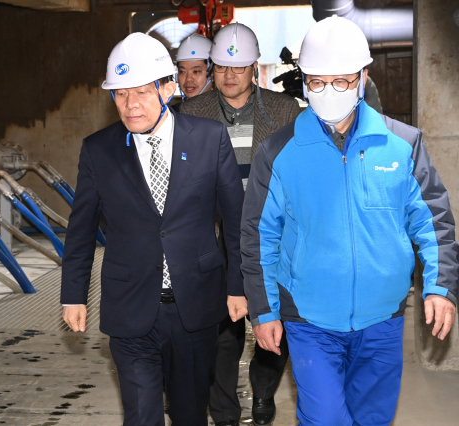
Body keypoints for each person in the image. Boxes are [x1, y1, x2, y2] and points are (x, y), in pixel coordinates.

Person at [241, 16, 458, 426]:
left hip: (383, 318)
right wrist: (264, 311)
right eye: (318, 82)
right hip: (309, 320)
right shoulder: (278, 152)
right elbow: (258, 237)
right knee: (324, 418)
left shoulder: (402, 144)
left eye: (341, 81)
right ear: (304, 81)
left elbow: (434, 223)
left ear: (363, 77)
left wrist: (440, 287)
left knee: (372, 418)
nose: (329, 92)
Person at [61, 32, 247, 426]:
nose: (130, 106)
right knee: (142, 415)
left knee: (189, 413)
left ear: (168, 88)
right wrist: (73, 295)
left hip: (195, 306)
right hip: (130, 306)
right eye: (121, 94)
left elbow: (235, 222)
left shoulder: (209, 139)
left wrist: (238, 287)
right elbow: (80, 230)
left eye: (142, 92)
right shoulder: (98, 150)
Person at [180, 23, 300, 426]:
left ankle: (264, 396)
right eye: (221, 68)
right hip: (215, 239)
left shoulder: (284, 110)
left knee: (274, 320)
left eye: (239, 68)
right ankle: (225, 411)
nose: (229, 76)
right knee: (222, 330)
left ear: (254, 68)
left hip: (271, 238)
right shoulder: (191, 112)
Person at [171, 33, 214, 112]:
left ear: (212, 73)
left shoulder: (227, 114)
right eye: (182, 71)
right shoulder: (170, 116)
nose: (188, 79)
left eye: (196, 71)